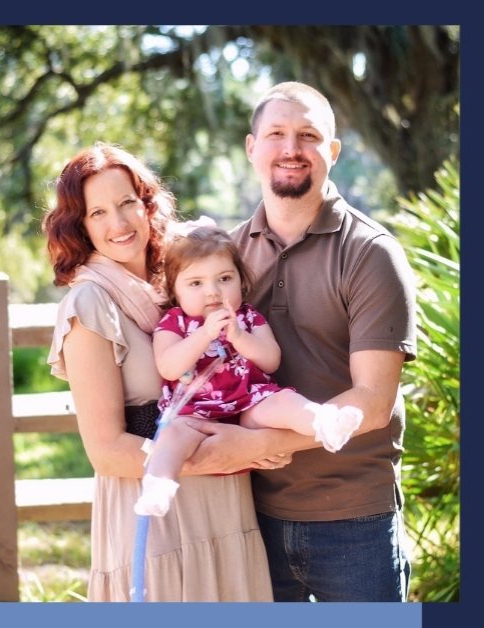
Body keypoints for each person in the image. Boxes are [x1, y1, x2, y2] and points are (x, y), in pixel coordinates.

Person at [187, 81, 418, 602]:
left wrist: (261, 444)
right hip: (249, 514)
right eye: (276, 134)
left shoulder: (371, 254)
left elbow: (374, 402)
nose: (291, 149)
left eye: (308, 135)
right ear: (252, 148)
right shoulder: (228, 257)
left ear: (331, 152)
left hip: (353, 517)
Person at [43, 142, 279, 602]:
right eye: (98, 212)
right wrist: (233, 454)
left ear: (147, 205)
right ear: (80, 226)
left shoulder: (183, 283)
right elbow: (107, 452)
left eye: (127, 202)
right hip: (158, 521)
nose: (119, 223)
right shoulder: (89, 305)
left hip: (226, 508)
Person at [132, 225, 363, 517]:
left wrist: (239, 337)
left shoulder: (248, 317)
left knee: (282, 401)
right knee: (172, 437)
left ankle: (325, 422)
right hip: (194, 413)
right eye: (196, 283)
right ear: (174, 290)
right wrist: (203, 335)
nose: (213, 291)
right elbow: (169, 366)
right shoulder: (173, 323)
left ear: (241, 282)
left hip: (250, 404)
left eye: (224, 279)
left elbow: (271, 361)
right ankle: (158, 487)